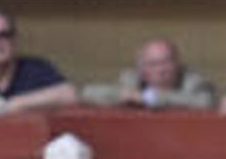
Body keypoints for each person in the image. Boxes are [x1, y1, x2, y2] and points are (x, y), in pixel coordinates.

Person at [0, 7, 77, 113]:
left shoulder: (35, 69)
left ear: (14, 40)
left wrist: (18, 103)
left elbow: (69, 94)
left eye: (3, 35)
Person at [80, 37, 216, 110]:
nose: (161, 70)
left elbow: (205, 101)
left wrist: (149, 98)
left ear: (177, 64)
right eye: (153, 64)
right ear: (142, 69)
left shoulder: (193, 81)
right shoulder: (131, 79)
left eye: (166, 62)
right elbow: (88, 93)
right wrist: (123, 95)